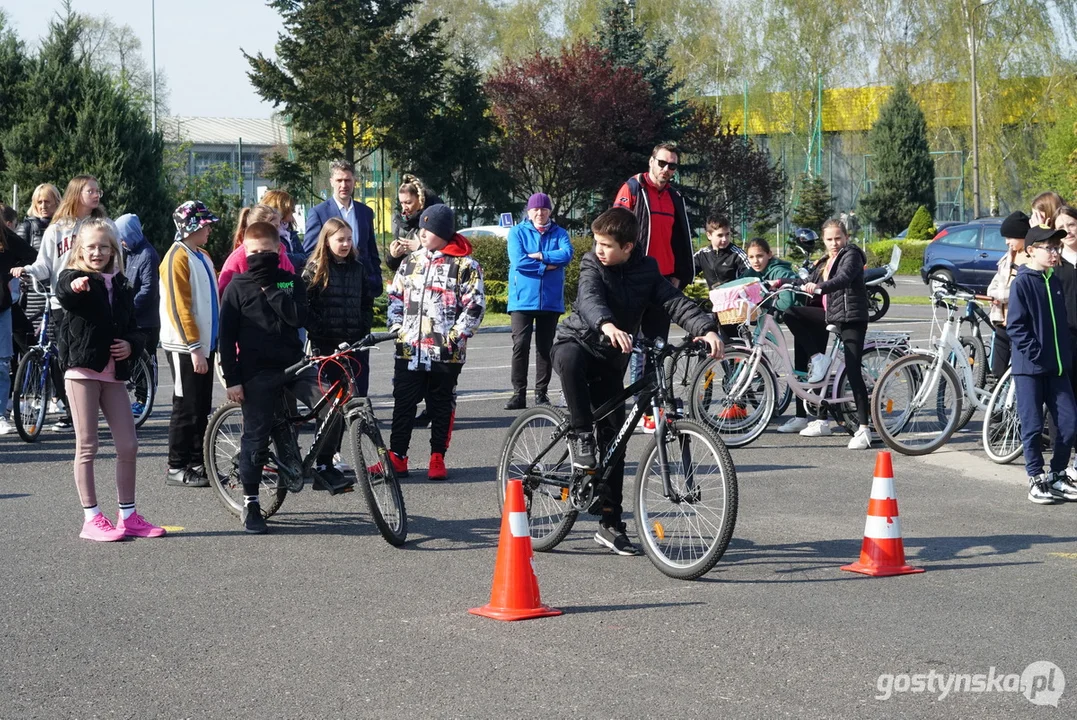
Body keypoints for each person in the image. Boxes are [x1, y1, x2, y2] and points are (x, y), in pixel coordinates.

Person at [551, 207, 723, 555]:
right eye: (597, 243)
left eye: (607, 245)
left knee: (615, 440)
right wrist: (607, 324)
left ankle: (610, 524)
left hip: (612, 360)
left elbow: (674, 301)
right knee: (569, 361)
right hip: (579, 342)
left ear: (628, 246)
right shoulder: (591, 264)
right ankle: (581, 436)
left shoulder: (647, 270)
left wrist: (705, 328)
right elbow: (589, 298)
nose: (600, 249)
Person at [220, 221, 350, 533]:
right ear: (244, 251)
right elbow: (225, 338)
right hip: (255, 371)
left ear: (278, 250)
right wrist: (232, 378)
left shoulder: (290, 282)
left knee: (334, 402)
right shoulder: (237, 287)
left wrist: (271, 288)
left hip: (293, 365)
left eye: (266, 251)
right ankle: (251, 502)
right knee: (256, 436)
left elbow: (297, 316)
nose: (259, 257)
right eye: (253, 252)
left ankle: (323, 464)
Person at [55, 218, 163, 541]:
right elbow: (64, 290)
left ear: (114, 249)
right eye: (91, 247)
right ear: (80, 250)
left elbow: (136, 327)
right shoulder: (75, 279)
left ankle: (127, 516)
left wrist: (131, 345)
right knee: (88, 444)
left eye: (104, 246)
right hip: (82, 371)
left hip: (114, 375)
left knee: (128, 444)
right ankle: (91, 518)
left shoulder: (122, 285)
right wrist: (74, 284)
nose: (97, 252)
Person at [386, 204, 485, 481]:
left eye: (429, 229)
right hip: (409, 348)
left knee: (440, 404)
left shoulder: (466, 265)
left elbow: (474, 307)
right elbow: (395, 296)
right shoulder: (410, 261)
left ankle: (437, 456)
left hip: (446, 353)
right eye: (422, 228)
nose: (423, 233)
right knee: (403, 403)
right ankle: (397, 457)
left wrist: (454, 338)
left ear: (443, 232)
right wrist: (397, 327)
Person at [12, 175, 113, 432]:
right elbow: (44, 264)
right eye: (91, 190)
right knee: (65, 356)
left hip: (95, 299)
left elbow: (115, 259)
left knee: (92, 356)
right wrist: (27, 270)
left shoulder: (102, 225)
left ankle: (98, 404)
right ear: (77, 192)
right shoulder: (57, 228)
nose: (97, 194)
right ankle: (73, 409)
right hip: (62, 300)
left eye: (98, 190)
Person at [613, 142, 695, 430]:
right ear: (651, 161)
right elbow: (615, 230)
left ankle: (645, 410)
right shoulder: (633, 189)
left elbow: (681, 240)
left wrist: (679, 277)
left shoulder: (674, 197)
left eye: (672, 165)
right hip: (633, 280)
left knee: (655, 348)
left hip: (662, 283)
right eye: (662, 163)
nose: (666, 170)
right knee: (625, 347)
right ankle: (613, 405)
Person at [778, 219, 873, 450]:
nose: (834, 243)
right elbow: (806, 281)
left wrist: (821, 287)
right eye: (829, 239)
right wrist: (780, 282)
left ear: (846, 237)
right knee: (791, 313)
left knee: (852, 370)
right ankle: (821, 419)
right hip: (830, 315)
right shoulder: (824, 260)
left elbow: (844, 279)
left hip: (851, 318)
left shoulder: (851, 254)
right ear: (823, 239)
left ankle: (864, 429)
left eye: (838, 238)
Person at [1006, 225, 1077, 504]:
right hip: (1030, 369)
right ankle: (1036, 479)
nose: (1054, 252)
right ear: (1031, 250)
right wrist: (1038, 354)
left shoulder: (1055, 281)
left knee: (1069, 423)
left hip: (1058, 369)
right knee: (1033, 426)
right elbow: (1016, 326)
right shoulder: (1022, 283)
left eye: (1056, 247)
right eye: (1048, 247)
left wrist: (1063, 359)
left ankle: (1058, 475)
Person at [160, 201, 221, 488]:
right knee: (185, 406)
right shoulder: (176, 257)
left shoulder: (202, 255)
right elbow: (178, 305)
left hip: (204, 344)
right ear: (192, 227)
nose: (209, 229)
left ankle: (198, 460)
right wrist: (195, 346)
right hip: (185, 346)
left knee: (201, 406)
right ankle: (176, 465)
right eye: (205, 225)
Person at [504, 192, 573, 410]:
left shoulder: (560, 233)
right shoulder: (516, 232)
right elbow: (519, 262)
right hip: (522, 300)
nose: (540, 213)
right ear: (528, 210)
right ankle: (518, 393)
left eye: (544, 209)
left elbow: (567, 255)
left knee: (545, 347)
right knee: (520, 345)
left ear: (550, 211)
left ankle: (541, 394)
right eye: (535, 209)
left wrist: (541, 256)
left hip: (550, 300)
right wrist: (548, 266)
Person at [303, 215, 374, 425]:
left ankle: (357, 446)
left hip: (354, 344)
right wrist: (319, 330)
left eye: (349, 239)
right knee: (331, 406)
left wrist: (363, 327)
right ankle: (329, 454)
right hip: (327, 346)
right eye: (340, 239)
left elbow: (366, 302)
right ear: (327, 240)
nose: (346, 244)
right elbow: (305, 306)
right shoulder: (315, 269)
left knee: (356, 399)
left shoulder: (358, 268)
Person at [304, 160, 383, 308]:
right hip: (332, 289)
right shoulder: (319, 213)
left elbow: (371, 249)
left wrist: (375, 277)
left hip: (362, 288)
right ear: (331, 182)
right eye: (339, 180)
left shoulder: (365, 212)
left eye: (347, 180)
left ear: (354, 181)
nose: (344, 185)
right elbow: (310, 251)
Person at [0, 212, 37, 435]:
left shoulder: (5, 236)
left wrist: (13, 272)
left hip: (2, 308)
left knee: (2, 363)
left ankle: (0, 414)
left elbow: (31, 255)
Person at [13, 184, 60, 353]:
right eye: (39, 201)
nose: (43, 206)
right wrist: (23, 273)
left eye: (47, 201)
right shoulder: (26, 228)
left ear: (57, 202)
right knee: (33, 349)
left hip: (57, 294)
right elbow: (14, 259)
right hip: (33, 296)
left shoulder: (63, 228)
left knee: (56, 348)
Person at [693, 212, 751, 341]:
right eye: (720, 235)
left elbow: (750, 275)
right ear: (709, 235)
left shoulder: (737, 254)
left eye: (727, 234)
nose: (724, 239)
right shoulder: (703, 255)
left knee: (733, 345)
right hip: (713, 306)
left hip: (733, 310)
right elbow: (686, 272)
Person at [985, 211, 1029, 379]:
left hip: (1019, 321)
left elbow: (1021, 290)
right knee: (997, 370)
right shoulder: (1008, 257)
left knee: (1020, 368)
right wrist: (993, 293)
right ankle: (996, 399)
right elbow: (994, 283)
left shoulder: (1030, 258)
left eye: (1010, 237)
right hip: (1001, 321)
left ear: (1022, 235)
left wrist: (1000, 295)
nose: (1007, 242)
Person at [115, 214, 161, 371]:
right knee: (134, 366)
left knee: (145, 366)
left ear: (131, 233)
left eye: (123, 237)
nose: (121, 242)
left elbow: (149, 289)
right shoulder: (130, 252)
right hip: (135, 320)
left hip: (146, 322)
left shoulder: (148, 254)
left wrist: (130, 308)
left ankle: (145, 395)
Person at [218, 204, 293, 294]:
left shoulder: (281, 255)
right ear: (259, 227)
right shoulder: (238, 259)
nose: (278, 231)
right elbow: (224, 294)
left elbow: (291, 285)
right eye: (275, 226)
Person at [387, 174, 443, 273]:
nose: (404, 208)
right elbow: (395, 267)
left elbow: (444, 259)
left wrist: (420, 248)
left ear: (420, 199)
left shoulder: (436, 220)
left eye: (408, 202)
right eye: (401, 203)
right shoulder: (402, 223)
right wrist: (393, 256)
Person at [741, 237, 799, 314]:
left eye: (759, 256)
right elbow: (736, 285)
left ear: (769, 255)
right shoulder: (752, 271)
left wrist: (758, 300)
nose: (755, 261)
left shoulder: (781, 272)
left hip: (799, 314)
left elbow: (786, 303)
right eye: (751, 257)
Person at [261, 189, 306, 269]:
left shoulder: (290, 233)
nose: (294, 211)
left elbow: (304, 257)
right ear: (281, 208)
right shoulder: (268, 235)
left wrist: (294, 258)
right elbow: (282, 259)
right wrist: (297, 258)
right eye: (291, 208)